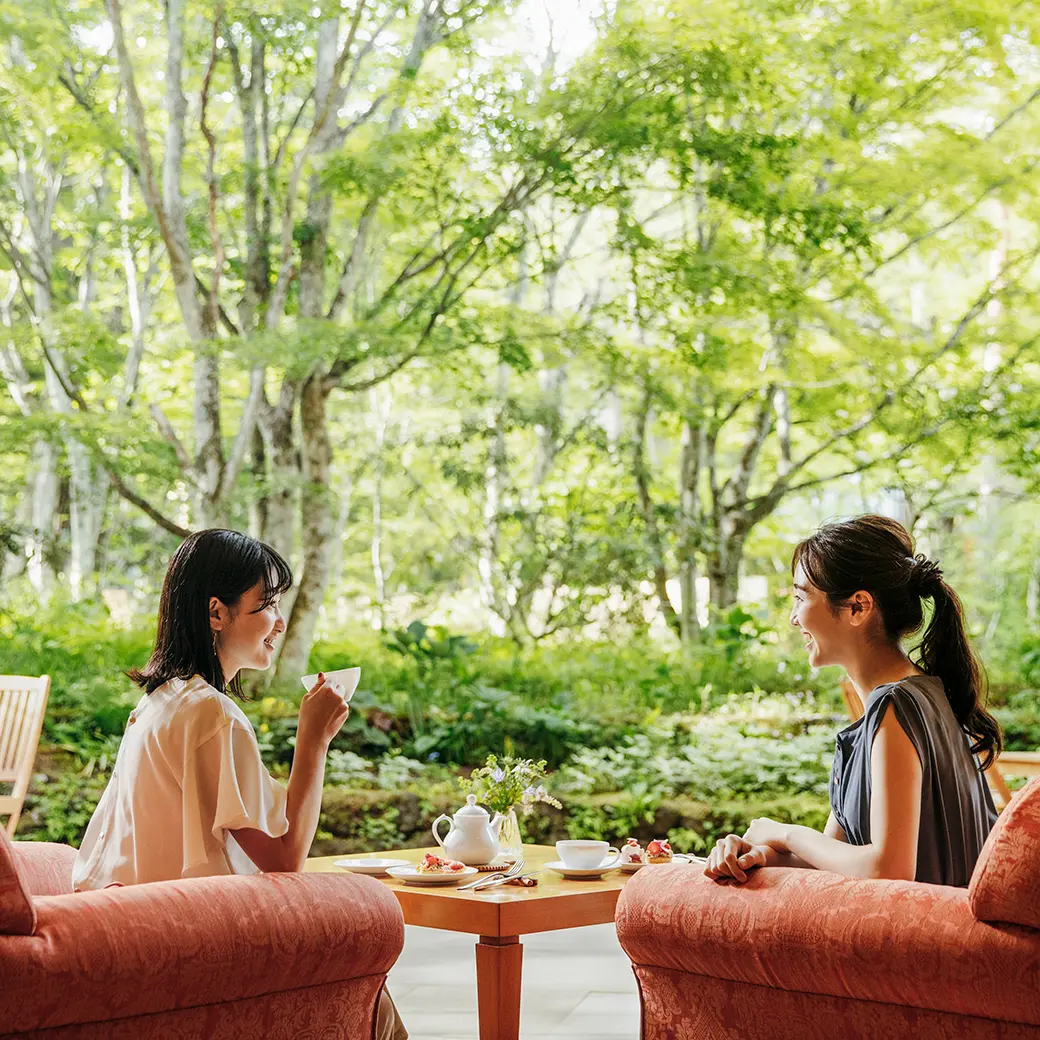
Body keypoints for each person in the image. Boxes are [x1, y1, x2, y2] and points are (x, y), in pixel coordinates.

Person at [73, 528, 406, 1040]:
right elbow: (285, 858)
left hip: (135, 927)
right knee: (368, 982)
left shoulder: (160, 702)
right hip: (194, 935)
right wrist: (313, 741)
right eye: (266, 604)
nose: (279, 622)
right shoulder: (212, 714)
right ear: (216, 613)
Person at [705, 514, 1001, 888]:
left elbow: (888, 869)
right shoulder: (922, 696)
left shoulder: (899, 705)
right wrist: (758, 853)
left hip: (929, 943)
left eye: (800, 597)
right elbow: (835, 856)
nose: (794, 618)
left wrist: (787, 833)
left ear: (858, 607)